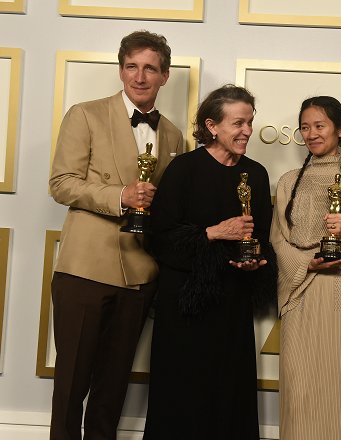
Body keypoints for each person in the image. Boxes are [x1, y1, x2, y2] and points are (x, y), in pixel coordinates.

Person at [48, 30, 183, 440]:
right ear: (121, 69)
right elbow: (61, 183)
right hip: (85, 267)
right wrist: (119, 195)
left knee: (113, 385)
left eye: (150, 69)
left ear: (165, 76)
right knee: (71, 381)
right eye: (131, 67)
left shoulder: (174, 135)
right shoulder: (85, 114)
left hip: (139, 273)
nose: (139, 77)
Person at [142, 85, 276, 439]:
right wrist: (214, 233)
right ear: (211, 126)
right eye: (238, 123)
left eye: (249, 122)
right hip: (185, 306)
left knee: (230, 393)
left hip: (233, 305)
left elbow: (260, 237)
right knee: (183, 395)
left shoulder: (257, 175)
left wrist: (256, 262)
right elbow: (160, 238)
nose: (247, 131)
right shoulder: (183, 170)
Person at [271, 96, 341, 440]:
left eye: (319, 125)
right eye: (305, 127)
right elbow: (278, 239)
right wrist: (309, 262)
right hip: (302, 289)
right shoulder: (288, 180)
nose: (311, 134)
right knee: (300, 386)